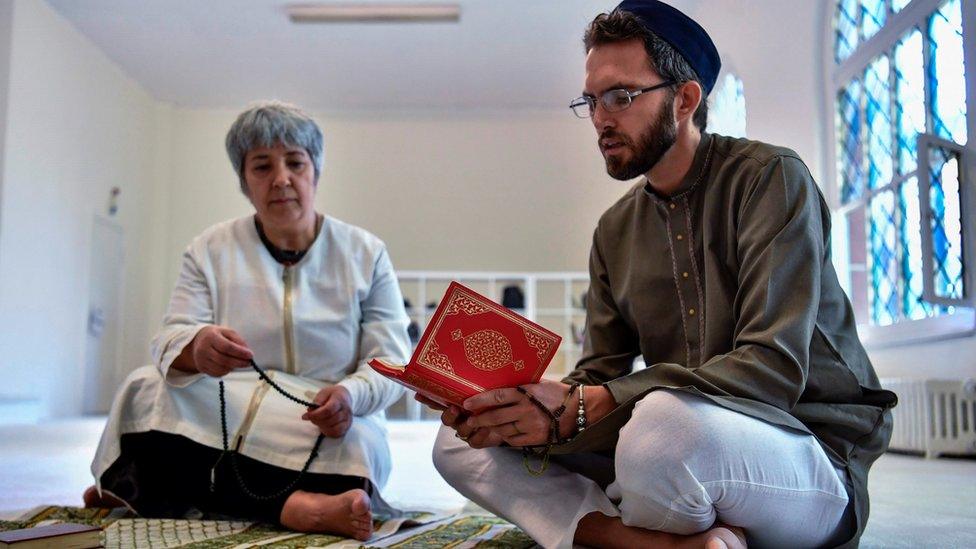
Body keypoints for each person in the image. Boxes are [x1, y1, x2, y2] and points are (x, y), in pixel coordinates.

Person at [427, 2, 896, 548]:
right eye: (592, 100)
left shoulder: (770, 178)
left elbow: (773, 369)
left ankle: (627, 526)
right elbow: (599, 374)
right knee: (459, 444)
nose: (601, 118)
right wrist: (526, 409)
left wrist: (595, 405)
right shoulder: (614, 229)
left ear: (685, 99)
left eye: (621, 96)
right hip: (676, 451)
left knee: (661, 430)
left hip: (804, 449)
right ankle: (674, 543)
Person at [84, 101, 411, 541]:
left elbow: (393, 359)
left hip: (327, 414)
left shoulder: (366, 253)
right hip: (229, 402)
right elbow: (173, 334)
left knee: (356, 450)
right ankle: (296, 507)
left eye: (295, 163)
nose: (281, 179)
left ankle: (147, 490)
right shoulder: (210, 248)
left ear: (316, 171)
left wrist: (351, 397)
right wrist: (196, 347)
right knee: (144, 391)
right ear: (244, 181)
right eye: (262, 166)